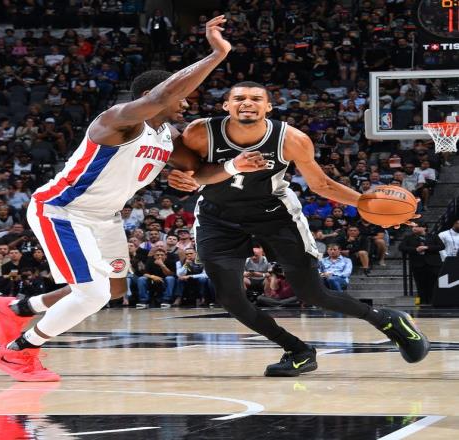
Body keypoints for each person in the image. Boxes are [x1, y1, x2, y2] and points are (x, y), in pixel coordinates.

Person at [0, 17, 266, 381]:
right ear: (156, 94)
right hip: (64, 210)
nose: (185, 104)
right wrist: (217, 55)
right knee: (92, 294)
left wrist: (231, 166)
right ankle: (18, 352)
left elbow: (197, 171)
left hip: (106, 217)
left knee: (114, 288)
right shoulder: (118, 120)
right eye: (182, 97)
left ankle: (15, 310)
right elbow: (160, 97)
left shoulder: (167, 135)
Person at [168, 81, 428, 377]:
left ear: (268, 107)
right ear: (226, 105)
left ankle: (386, 320)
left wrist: (370, 207)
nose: (247, 103)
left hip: (274, 214)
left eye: (256, 98)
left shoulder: (291, 139)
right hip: (218, 217)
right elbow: (188, 168)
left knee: (312, 292)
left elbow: (322, 184)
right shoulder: (200, 132)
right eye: (239, 98)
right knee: (230, 299)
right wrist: (179, 177)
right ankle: (298, 350)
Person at [399, 221, 445, 305]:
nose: (414, 228)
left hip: (433, 264)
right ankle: (422, 302)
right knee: (420, 284)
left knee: (432, 284)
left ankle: (432, 301)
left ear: (424, 227)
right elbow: (401, 247)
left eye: (416, 226)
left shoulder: (433, 236)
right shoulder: (408, 238)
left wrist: (427, 247)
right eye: (412, 227)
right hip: (418, 264)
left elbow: (441, 246)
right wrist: (415, 249)